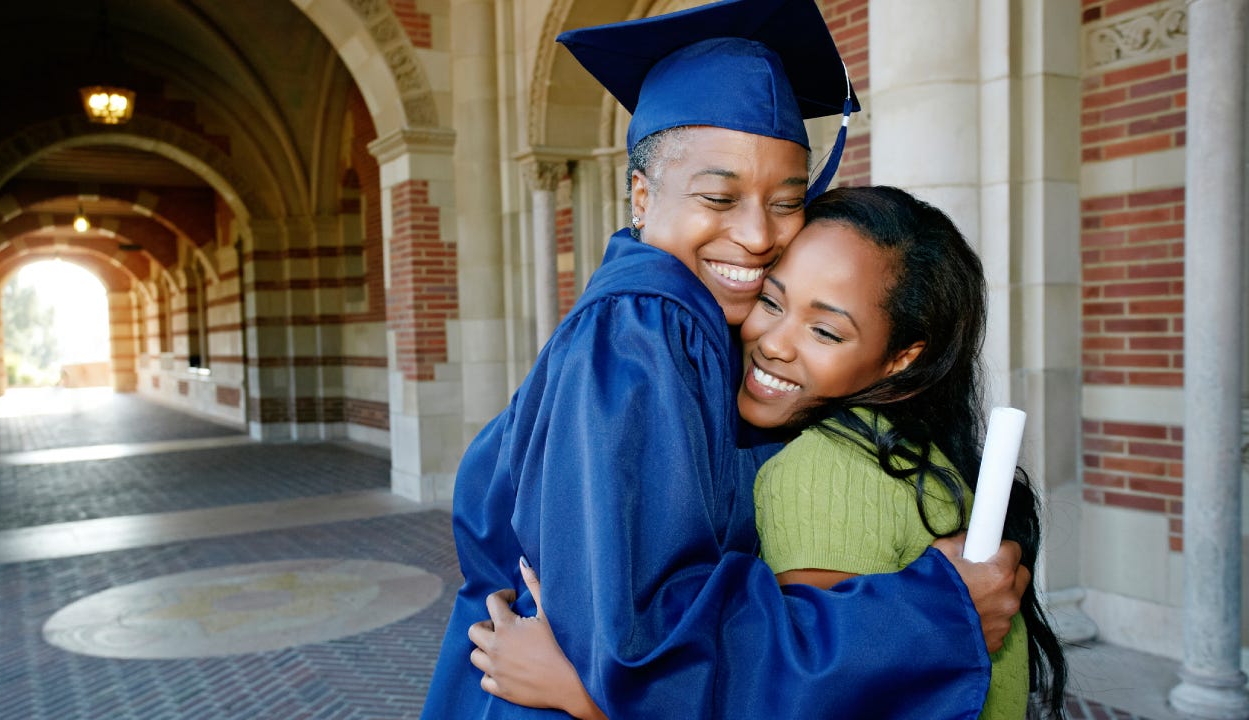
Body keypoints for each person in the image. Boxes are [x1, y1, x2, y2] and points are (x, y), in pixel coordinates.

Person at [420, 2, 1029, 718]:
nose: (757, 234)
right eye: (719, 195)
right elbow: (645, 642)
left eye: (787, 200)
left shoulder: (698, 336)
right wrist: (932, 616)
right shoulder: (644, 324)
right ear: (641, 198)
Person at [471, 186, 1069, 719]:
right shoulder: (914, 455)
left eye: (826, 331)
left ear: (901, 358)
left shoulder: (819, 475)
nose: (774, 344)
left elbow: (816, 695)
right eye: (773, 302)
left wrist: (587, 694)